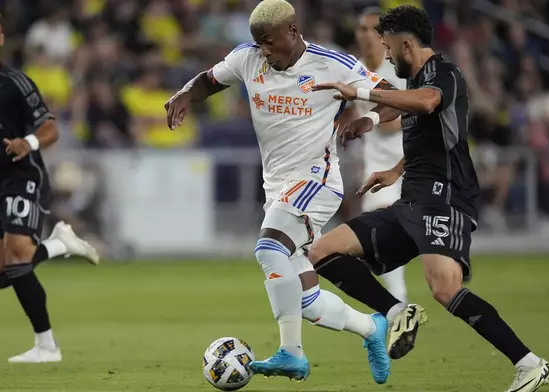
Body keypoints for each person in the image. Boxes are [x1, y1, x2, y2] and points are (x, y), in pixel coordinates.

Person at [165, 0, 415, 384]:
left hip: (317, 180)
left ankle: (291, 354)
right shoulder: (248, 58)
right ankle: (371, 328)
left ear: (293, 33)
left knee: (269, 249)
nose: (265, 51)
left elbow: (394, 100)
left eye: (269, 43)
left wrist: (366, 116)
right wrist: (184, 94)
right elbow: (209, 80)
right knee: (305, 299)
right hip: (279, 187)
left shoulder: (332, 64)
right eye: (259, 44)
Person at [309, 6, 549, 392]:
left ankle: (530, 364)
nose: (386, 55)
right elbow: (423, 127)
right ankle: (395, 312)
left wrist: (356, 91)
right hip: (412, 199)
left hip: (446, 197)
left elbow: (426, 104)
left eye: (389, 48)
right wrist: (395, 167)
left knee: (444, 288)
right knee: (322, 250)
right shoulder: (418, 80)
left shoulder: (444, 74)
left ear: (407, 45)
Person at [0, 6, 99, 363]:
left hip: (24, 177)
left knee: (17, 260)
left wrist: (30, 143)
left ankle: (46, 346)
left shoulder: (15, 82)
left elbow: (51, 128)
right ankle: (58, 245)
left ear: (1, 40)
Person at [354, 7, 408, 303]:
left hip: (410, 163)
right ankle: (398, 302)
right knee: (379, 233)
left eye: (373, 30)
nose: (367, 36)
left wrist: (386, 113)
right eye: (362, 29)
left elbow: (399, 122)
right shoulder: (354, 71)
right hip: (377, 167)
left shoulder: (399, 72)